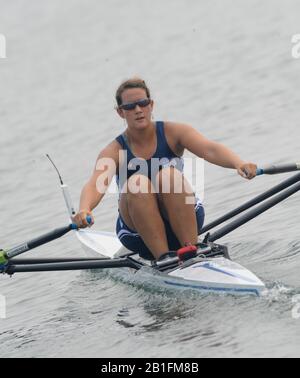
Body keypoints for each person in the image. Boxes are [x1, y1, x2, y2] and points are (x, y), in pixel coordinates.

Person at [72, 78, 257, 261]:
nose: (138, 110)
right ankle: (163, 258)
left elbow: (209, 149)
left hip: (184, 217)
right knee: (137, 183)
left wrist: (238, 164)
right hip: (138, 234)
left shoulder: (174, 132)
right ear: (121, 112)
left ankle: (193, 250)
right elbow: (96, 184)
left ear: (151, 105)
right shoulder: (114, 150)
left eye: (142, 103)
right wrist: (84, 209)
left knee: (168, 176)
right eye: (130, 107)